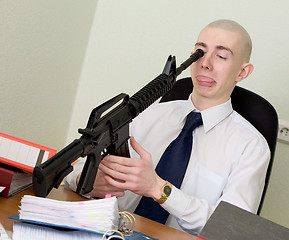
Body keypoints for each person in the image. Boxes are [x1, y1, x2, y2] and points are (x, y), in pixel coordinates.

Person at [65, 19, 270, 236]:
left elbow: (233, 230)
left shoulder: (251, 147)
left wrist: (159, 189)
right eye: (200, 52)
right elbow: (73, 173)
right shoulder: (148, 114)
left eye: (220, 56)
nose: (205, 64)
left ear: (242, 72)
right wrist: (86, 181)